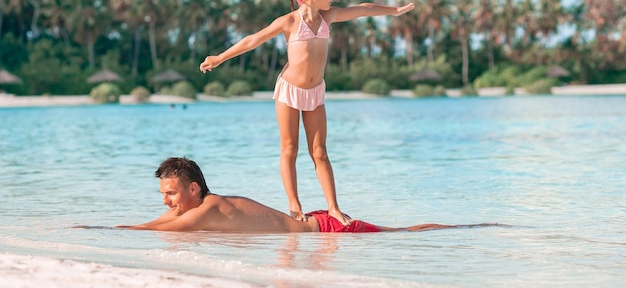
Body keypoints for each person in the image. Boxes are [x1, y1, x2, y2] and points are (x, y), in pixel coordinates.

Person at [199, 0, 415, 225]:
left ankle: (333, 207)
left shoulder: (329, 17)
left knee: (320, 152)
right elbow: (252, 40)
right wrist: (220, 58)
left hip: (315, 92)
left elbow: (364, 9)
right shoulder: (289, 22)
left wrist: (395, 11)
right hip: (289, 91)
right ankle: (294, 205)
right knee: (290, 149)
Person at [117, 157, 496, 233]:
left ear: (193, 189)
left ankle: (465, 226)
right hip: (312, 224)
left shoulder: (211, 207)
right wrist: (110, 227)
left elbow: (164, 228)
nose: (165, 201)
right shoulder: (197, 208)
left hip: (329, 229)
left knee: (401, 233)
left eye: (170, 193)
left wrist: (114, 231)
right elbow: (163, 221)